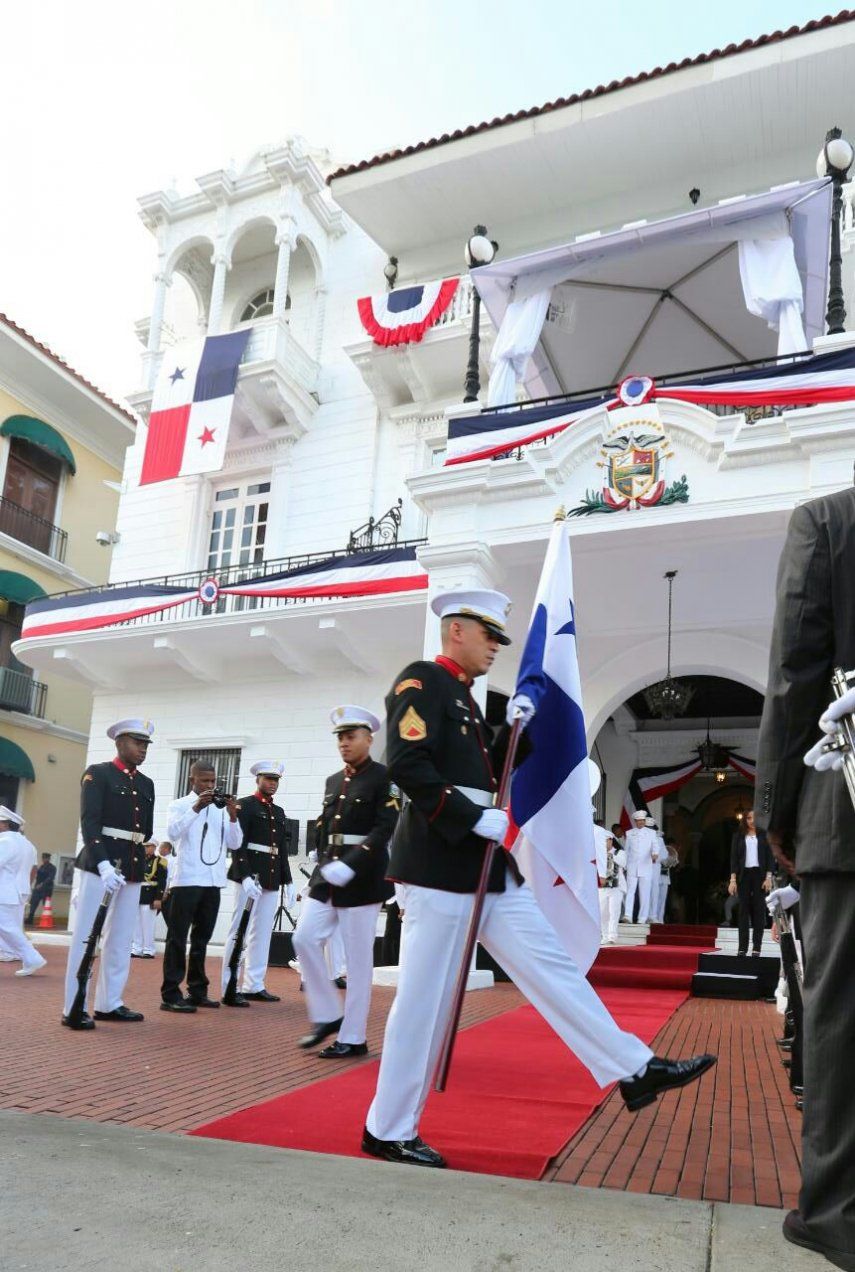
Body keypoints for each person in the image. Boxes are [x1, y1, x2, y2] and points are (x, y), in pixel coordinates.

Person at [362, 587, 714, 1168]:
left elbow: (483, 772)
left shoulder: (470, 702)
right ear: (457, 630)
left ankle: (633, 1068)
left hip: (483, 868)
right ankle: (388, 1127)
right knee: (423, 1007)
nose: (498, 647)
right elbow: (406, 765)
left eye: (503, 638)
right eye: (490, 636)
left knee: (554, 968)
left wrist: (514, 732)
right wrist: (473, 818)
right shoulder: (420, 682)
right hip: (438, 866)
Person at [756, 484, 855, 1270]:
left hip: (845, 808)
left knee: (841, 1013)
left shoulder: (829, 520)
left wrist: (774, 810)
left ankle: (835, 1211)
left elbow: (796, 673)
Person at [293, 705, 399, 1057]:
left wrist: (353, 862)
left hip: (364, 876)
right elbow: (326, 827)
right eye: (340, 737)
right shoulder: (333, 781)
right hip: (328, 875)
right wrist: (319, 860)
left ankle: (353, 1037)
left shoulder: (385, 777)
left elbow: (386, 827)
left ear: (369, 739)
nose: (344, 743)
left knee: (356, 962)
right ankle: (327, 1015)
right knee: (303, 938)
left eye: (351, 736)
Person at [61, 718, 155, 1030]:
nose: (142, 748)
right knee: (87, 936)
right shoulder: (97, 774)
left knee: (121, 937)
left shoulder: (146, 784)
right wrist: (102, 863)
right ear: (119, 743)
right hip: (100, 866)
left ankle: (109, 1002)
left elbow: (146, 831)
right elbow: (90, 823)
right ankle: (73, 1006)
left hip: (130, 867)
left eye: (145, 744)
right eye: (136, 742)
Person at [161, 761, 242, 1012]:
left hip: (213, 881)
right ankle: (171, 994)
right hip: (186, 880)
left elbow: (235, 843)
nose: (209, 785)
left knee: (201, 939)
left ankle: (197, 991)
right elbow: (172, 834)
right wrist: (196, 807)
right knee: (177, 938)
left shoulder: (220, 809)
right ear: (192, 780)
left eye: (213, 781)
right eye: (204, 781)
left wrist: (232, 816)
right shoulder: (179, 805)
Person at [221, 760, 293, 1006]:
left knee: (262, 933)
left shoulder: (279, 811)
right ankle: (229, 984)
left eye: (276, 780)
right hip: (250, 875)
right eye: (268, 778)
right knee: (238, 931)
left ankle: (254, 984)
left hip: (271, 877)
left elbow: (281, 849)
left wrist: (289, 880)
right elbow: (238, 845)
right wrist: (244, 875)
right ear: (258, 779)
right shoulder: (245, 806)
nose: (272, 783)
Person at [0, 807, 46, 976]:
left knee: (8, 928)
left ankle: (32, 957)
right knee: (11, 927)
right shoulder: (27, 844)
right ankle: (27, 957)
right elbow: (33, 869)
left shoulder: (5, 841)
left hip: (4, 890)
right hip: (19, 891)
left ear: (4, 824)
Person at [728, 809, 773, 956]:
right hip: (744, 875)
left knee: (759, 910)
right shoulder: (738, 836)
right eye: (748, 818)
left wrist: (768, 877)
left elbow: (769, 857)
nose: (751, 821)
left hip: (759, 875)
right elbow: (734, 859)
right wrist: (732, 880)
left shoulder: (764, 835)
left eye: (754, 818)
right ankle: (742, 947)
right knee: (743, 911)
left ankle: (757, 947)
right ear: (745, 820)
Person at [131, 841, 167, 958]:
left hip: (150, 896)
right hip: (138, 895)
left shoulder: (159, 862)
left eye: (148, 846)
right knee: (136, 924)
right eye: (144, 846)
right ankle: (137, 948)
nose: (145, 848)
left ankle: (148, 949)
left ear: (154, 847)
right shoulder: (139, 860)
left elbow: (162, 882)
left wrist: (158, 898)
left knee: (148, 925)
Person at [623, 810, 659, 923]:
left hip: (646, 866)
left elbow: (655, 845)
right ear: (635, 821)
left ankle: (642, 918)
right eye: (639, 821)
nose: (641, 823)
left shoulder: (651, 833)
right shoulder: (629, 833)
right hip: (632, 866)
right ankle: (627, 915)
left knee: (644, 893)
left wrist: (654, 854)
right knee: (630, 891)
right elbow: (626, 850)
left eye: (643, 820)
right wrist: (625, 865)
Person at [594, 815, 626, 945]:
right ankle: (605, 935)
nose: (604, 843)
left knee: (614, 911)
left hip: (616, 887)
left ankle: (612, 935)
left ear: (611, 841)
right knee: (603, 912)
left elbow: (624, 863)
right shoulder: (597, 853)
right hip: (602, 887)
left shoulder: (619, 852)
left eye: (606, 840)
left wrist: (610, 855)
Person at [653, 837, 680, 924]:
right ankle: (653, 917)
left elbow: (673, 864)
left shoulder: (670, 852)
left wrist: (671, 859)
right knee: (655, 898)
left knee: (663, 899)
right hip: (656, 877)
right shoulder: (659, 851)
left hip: (665, 878)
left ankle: (660, 918)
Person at [26, 853, 56, 925]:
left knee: (45, 905)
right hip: (38, 889)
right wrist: (35, 886)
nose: (44, 859)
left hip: (47, 889)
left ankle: (45, 920)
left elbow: (50, 878)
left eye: (46, 858)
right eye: (43, 858)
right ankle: (30, 919)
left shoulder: (52, 868)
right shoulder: (41, 867)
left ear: (49, 859)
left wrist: (42, 884)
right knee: (33, 903)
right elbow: (38, 877)